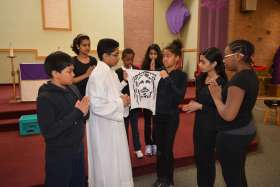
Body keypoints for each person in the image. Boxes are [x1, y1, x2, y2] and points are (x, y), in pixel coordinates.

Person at [208, 40, 258, 187]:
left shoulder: (239, 80)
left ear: (238, 56)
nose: (224, 60)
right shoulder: (250, 74)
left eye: (226, 55)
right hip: (244, 129)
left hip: (232, 135)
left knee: (232, 178)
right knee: (238, 173)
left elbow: (228, 115)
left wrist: (216, 97)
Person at [37, 51, 90, 187]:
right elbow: (48, 131)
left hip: (77, 148)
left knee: (78, 182)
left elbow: (81, 116)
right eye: (69, 71)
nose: (73, 74)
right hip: (60, 154)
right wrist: (78, 112)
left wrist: (85, 112)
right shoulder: (45, 97)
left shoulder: (73, 88)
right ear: (55, 73)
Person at [86, 38, 134, 187]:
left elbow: (112, 93)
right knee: (107, 163)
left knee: (116, 162)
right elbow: (97, 105)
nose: (118, 57)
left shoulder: (110, 72)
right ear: (105, 55)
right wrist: (121, 102)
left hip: (112, 125)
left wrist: (123, 95)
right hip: (104, 129)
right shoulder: (98, 74)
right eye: (115, 54)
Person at [182, 47, 227, 187]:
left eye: (203, 62)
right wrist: (193, 104)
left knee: (207, 162)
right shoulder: (201, 78)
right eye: (199, 61)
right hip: (200, 125)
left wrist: (200, 106)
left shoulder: (222, 83)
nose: (199, 64)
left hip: (213, 127)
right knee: (200, 160)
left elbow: (223, 111)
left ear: (214, 64)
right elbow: (200, 99)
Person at [153, 40, 187, 187]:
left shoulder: (181, 76)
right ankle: (160, 178)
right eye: (164, 56)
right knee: (159, 149)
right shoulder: (159, 72)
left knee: (167, 148)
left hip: (171, 117)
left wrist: (166, 79)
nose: (165, 59)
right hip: (158, 115)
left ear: (177, 58)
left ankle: (169, 179)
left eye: (168, 56)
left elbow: (179, 97)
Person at [116, 48, 143, 159]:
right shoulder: (117, 72)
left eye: (131, 59)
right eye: (127, 60)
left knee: (135, 128)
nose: (129, 62)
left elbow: (140, 86)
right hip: (123, 105)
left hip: (134, 105)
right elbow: (116, 89)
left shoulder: (136, 70)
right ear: (122, 59)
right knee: (124, 128)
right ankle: (125, 149)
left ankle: (137, 149)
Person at [141, 43, 163, 156]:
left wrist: (155, 71)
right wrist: (150, 70)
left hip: (157, 99)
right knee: (147, 122)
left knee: (156, 122)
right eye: (151, 54)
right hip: (147, 99)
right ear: (148, 55)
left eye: (155, 54)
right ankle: (148, 144)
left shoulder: (162, 67)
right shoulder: (144, 66)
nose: (153, 56)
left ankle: (155, 143)